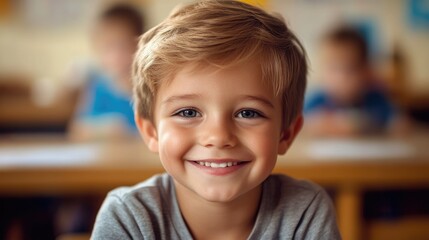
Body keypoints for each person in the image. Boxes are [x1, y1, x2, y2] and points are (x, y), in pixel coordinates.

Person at [92, 1, 341, 239]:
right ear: (151, 131)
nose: (219, 136)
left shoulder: (305, 212)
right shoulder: (128, 216)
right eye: (188, 112)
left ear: (286, 133)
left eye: (248, 113)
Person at [304, 25, 398, 137]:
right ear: (321, 70)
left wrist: (364, 123)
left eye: (349, 69)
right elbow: (301, 125)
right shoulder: (316, 101)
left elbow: (399, 123)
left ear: (365, 71)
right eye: (333, 68)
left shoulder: (376, 99)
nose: (341, 78)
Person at [69, 4, 144, 140]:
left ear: (140, 44)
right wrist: (105, 128)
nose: (116, 56)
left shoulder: (149, 89)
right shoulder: (99, 87)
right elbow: (77, 131)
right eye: (108, 47)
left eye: (123, 46)